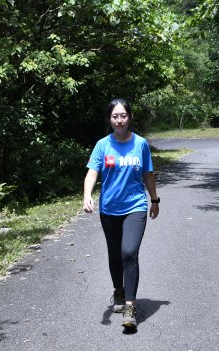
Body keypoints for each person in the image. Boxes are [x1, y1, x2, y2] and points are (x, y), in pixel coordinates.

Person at [82, 98, 160, 329]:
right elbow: (92, 173)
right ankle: (118, 290)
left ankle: (130, 307)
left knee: (129, 252)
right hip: (109, 208)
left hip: (135, 206)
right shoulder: (102, 145)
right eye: (115, 116)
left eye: (123, 115)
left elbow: (148, 174)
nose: (119, 120)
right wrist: (87, 195)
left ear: (130, 117)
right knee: (115, 254)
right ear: (110, 119)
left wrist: (154, 200)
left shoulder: (141, 144)